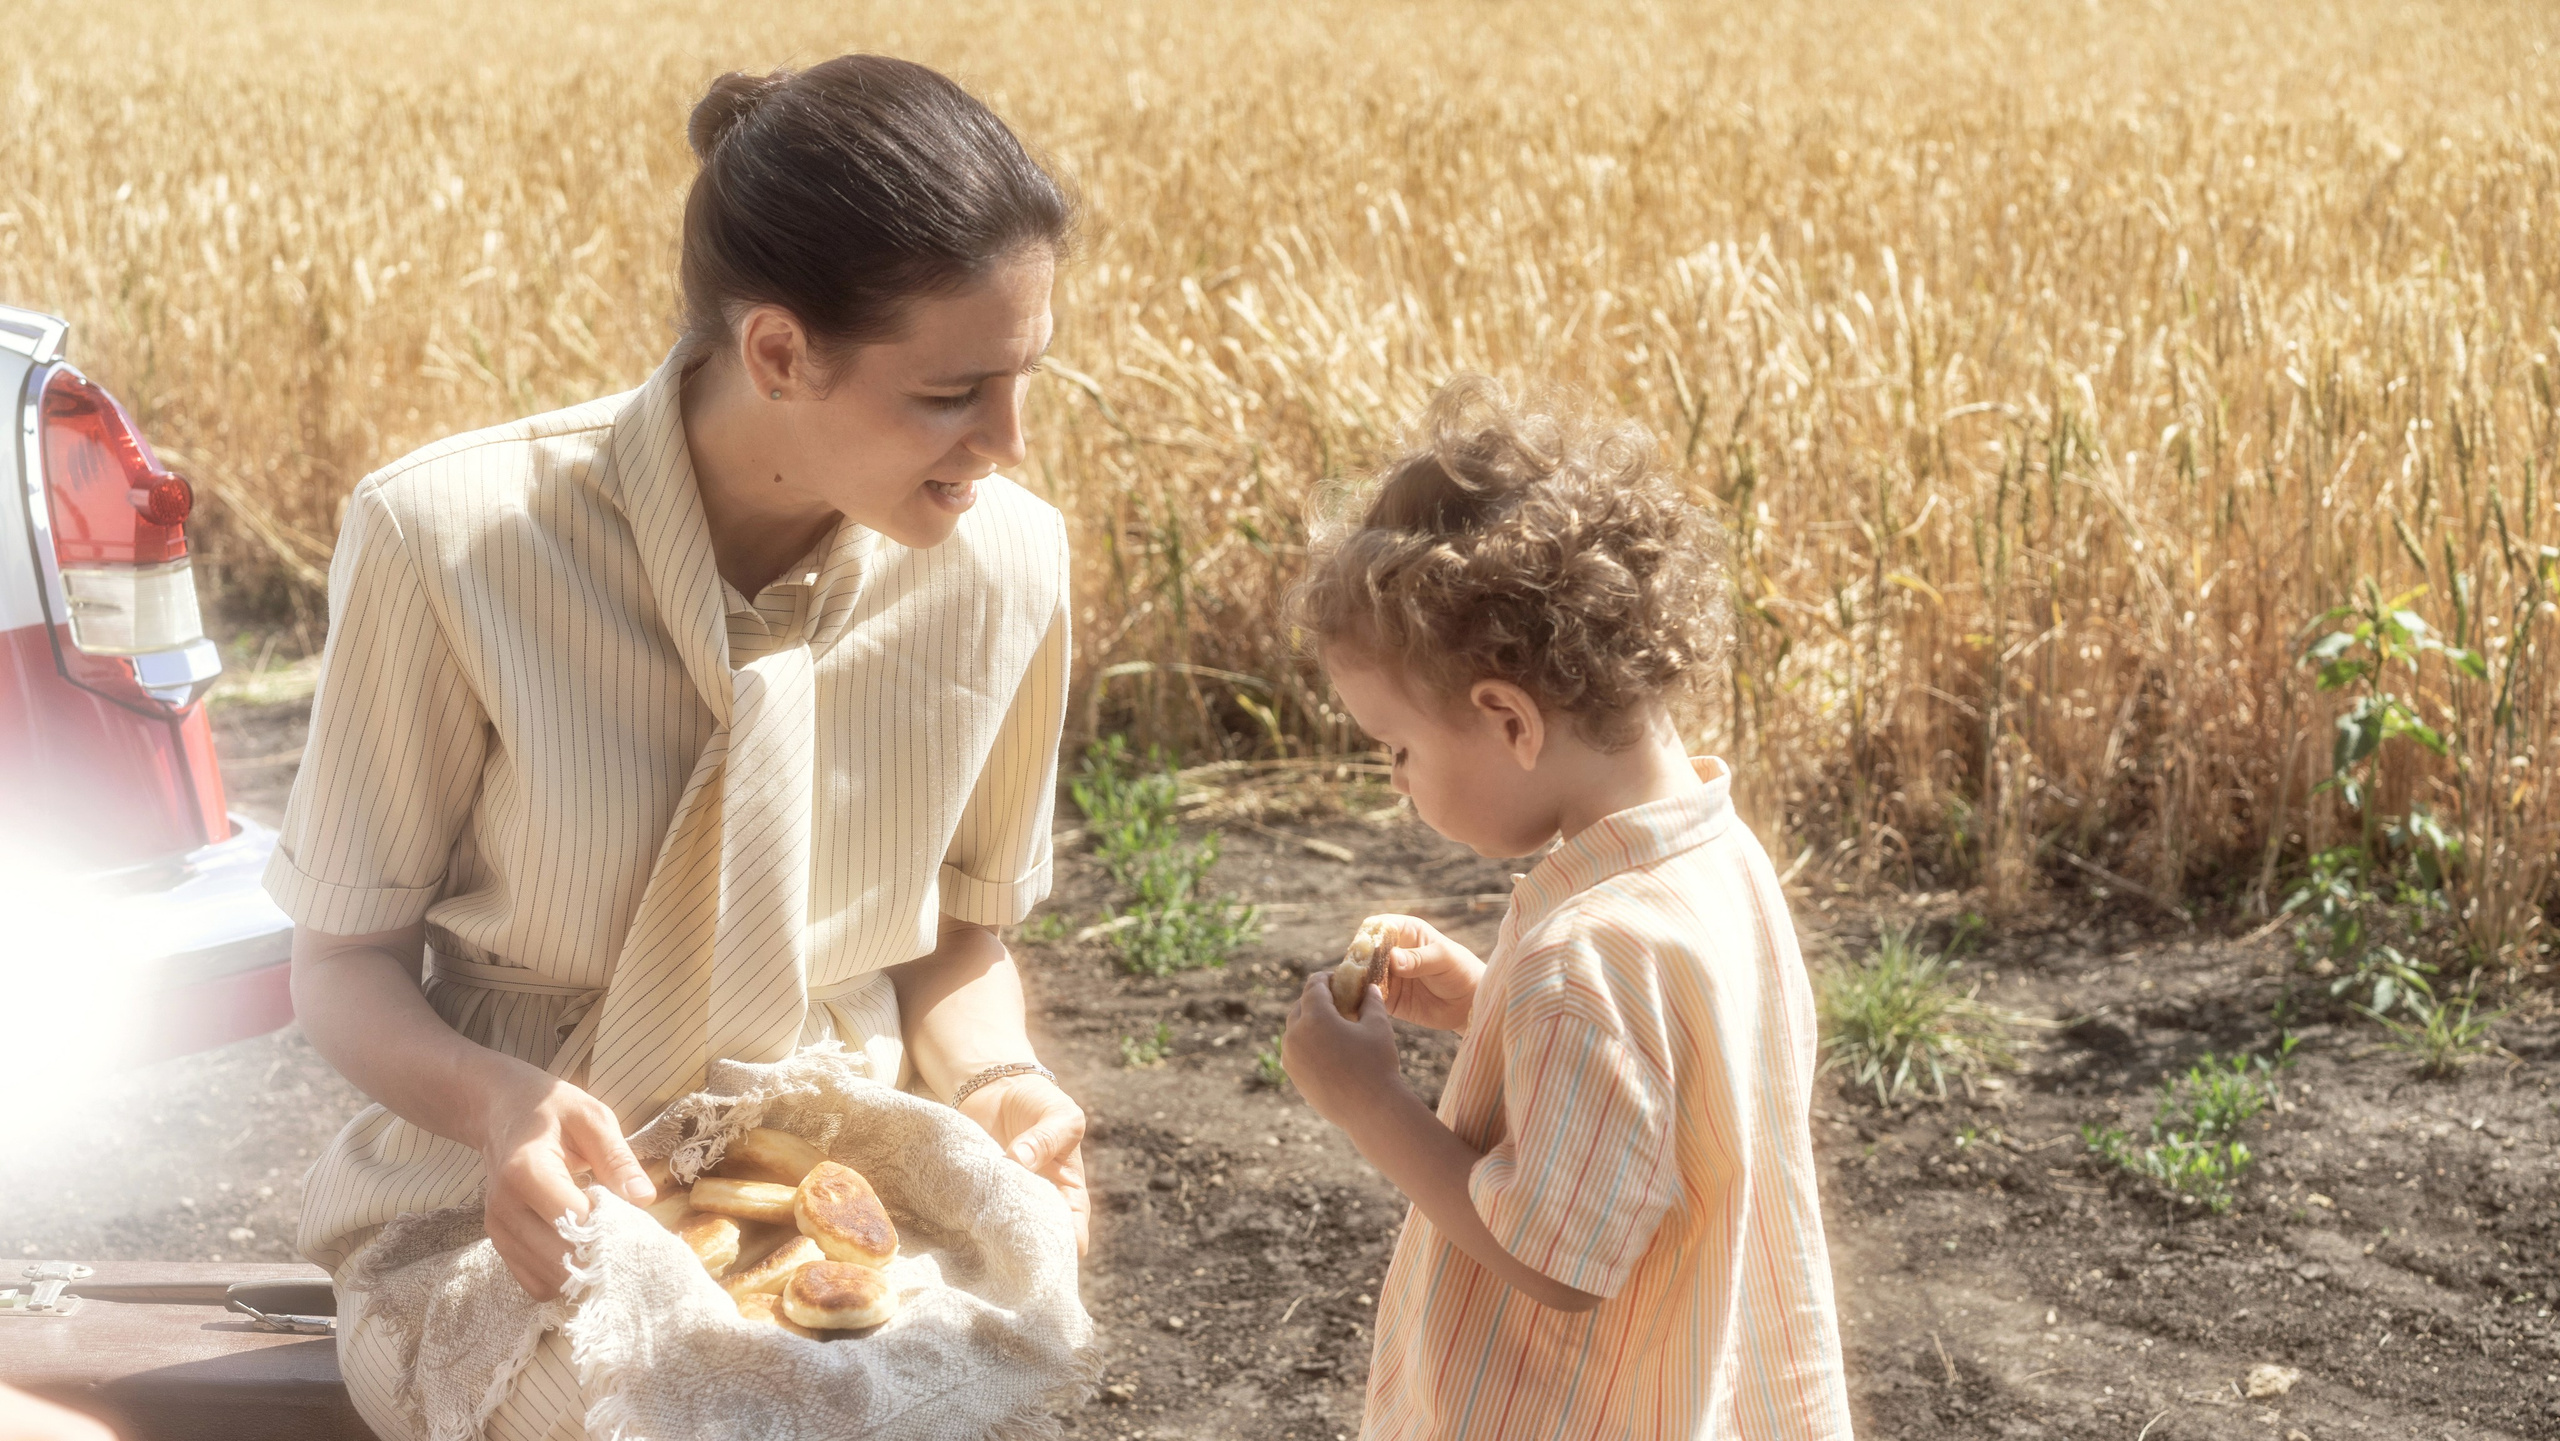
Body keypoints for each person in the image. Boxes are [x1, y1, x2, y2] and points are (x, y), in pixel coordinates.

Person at [269, 56, 1082, 1440]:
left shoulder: (1009, 566)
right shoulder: (447, 540)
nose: (1006, 442)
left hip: (846, 1184)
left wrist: (1004, 1085)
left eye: (1026, 377)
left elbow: (957, 944)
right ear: (777, 351)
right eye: (953, 392)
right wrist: (500, 1105)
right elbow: (341, 964)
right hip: (495, 1204)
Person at [1280, 376, 1855, 1439]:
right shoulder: (1720, 860)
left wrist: (1369, 1104)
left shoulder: (1583, 955)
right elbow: (1667, 1095)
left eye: (1396, 748)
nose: (1397, 782)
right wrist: (1485, 1007)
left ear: (1507, 718)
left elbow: (1558, 1260)